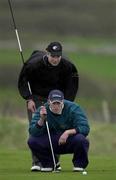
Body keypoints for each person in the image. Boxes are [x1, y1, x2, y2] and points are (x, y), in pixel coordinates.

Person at [18, 41, 79, 171]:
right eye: (53, 56)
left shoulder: (68, 67)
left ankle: (54, 162)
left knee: (55, 129)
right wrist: (28, 99)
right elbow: (23, 80)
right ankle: (37, 162)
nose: (55, 59)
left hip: (57, 99)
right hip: (37, 97)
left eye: (58, 56)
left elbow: (72, 86)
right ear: (47, 53)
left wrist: (66, 104)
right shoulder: (33, 65)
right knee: (37, 128)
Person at [28, 89, 90, 172]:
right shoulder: (42, 110)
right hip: (51, 140)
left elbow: (85, 128)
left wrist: (67, 132)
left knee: (82, 140)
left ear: (63, 102)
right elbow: (33, 132)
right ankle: (50, 164)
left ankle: (79, 165)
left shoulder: (74, 108)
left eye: (58, 103)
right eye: (54, 103)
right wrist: (42, 119)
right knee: (32, 141)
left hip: (70, 140)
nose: (56, 106)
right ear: (49, 102)